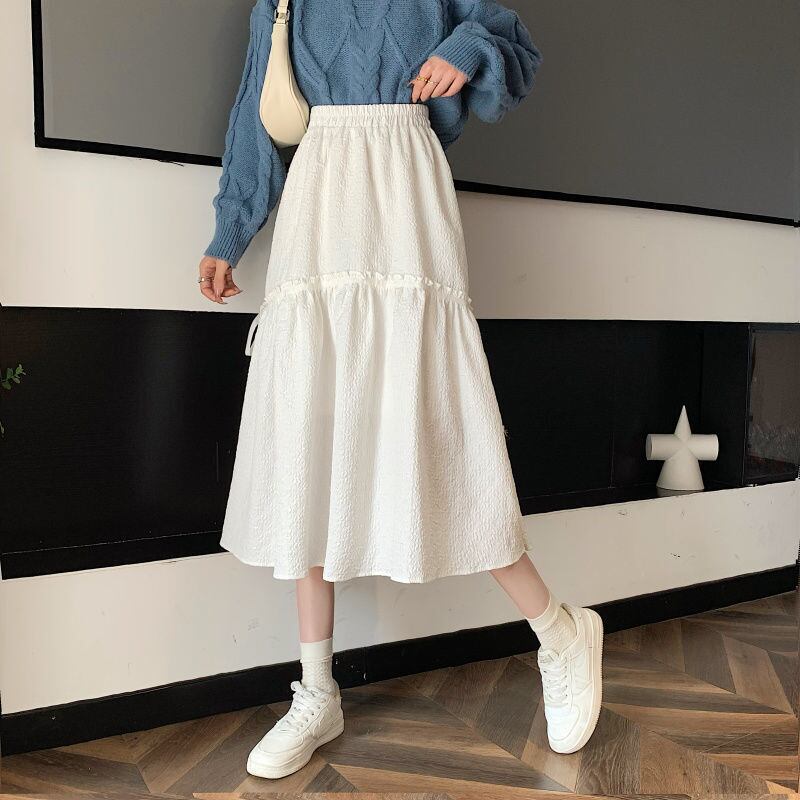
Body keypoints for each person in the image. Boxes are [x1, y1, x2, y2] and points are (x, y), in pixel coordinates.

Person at [197, 0, 604, 779]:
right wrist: (228, 233)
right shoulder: (279, 2)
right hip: (318, 204)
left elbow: (510, 44)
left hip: (406, 196)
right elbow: (256, 118)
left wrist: (464, 48)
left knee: (444, 427)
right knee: (310, 435)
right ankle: (316, 690)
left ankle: (560, 632)